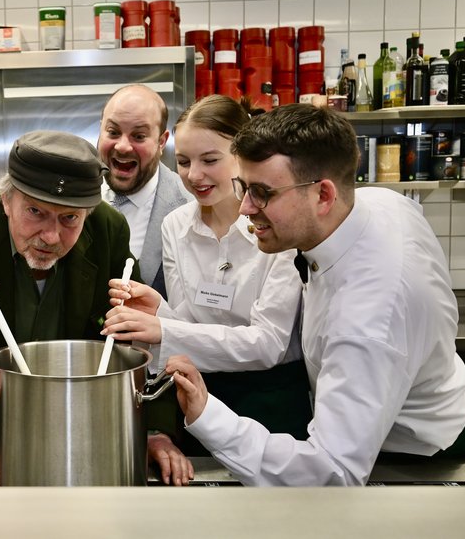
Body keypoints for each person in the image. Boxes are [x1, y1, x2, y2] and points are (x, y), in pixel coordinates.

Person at [166, 103, 465, 486]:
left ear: (323, 195)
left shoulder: (366, 320)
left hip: (415, 451)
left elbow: (333, 474)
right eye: (244, 188)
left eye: (262, 192)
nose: (245, 208)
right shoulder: (383, 202)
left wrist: (207, 416)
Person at [0, 130, 193, 486]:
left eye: (70, 219)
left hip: (88, 446)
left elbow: (135, 338)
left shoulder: (107, 231)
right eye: (35, 211)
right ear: (7, 201)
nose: (50, 237)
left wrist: (153, 430)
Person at [103, 95, 311, 455]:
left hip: (271, 401)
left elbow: (269, 344)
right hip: (198, 394)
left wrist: (165, 330)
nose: (193, 175)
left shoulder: (276, 227)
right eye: (183, 161)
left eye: (210, 160)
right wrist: (159, 312)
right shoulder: (176, 225)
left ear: (242, 156)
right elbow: (190, 328)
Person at [98, 84, 191, 300]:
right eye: (113, 132)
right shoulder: (72, 196)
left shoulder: (189, 206)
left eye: (138, 136)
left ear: (162, 142)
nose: (122, 147)